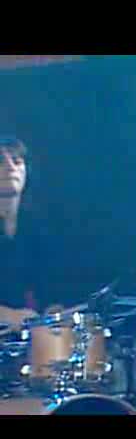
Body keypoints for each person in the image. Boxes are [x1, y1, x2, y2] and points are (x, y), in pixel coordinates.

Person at [0, 136, 43, 333]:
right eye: (0, 162)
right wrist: (8, 316)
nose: (11, 167)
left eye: (17, 161)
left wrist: (53, 308)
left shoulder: (35, 227)